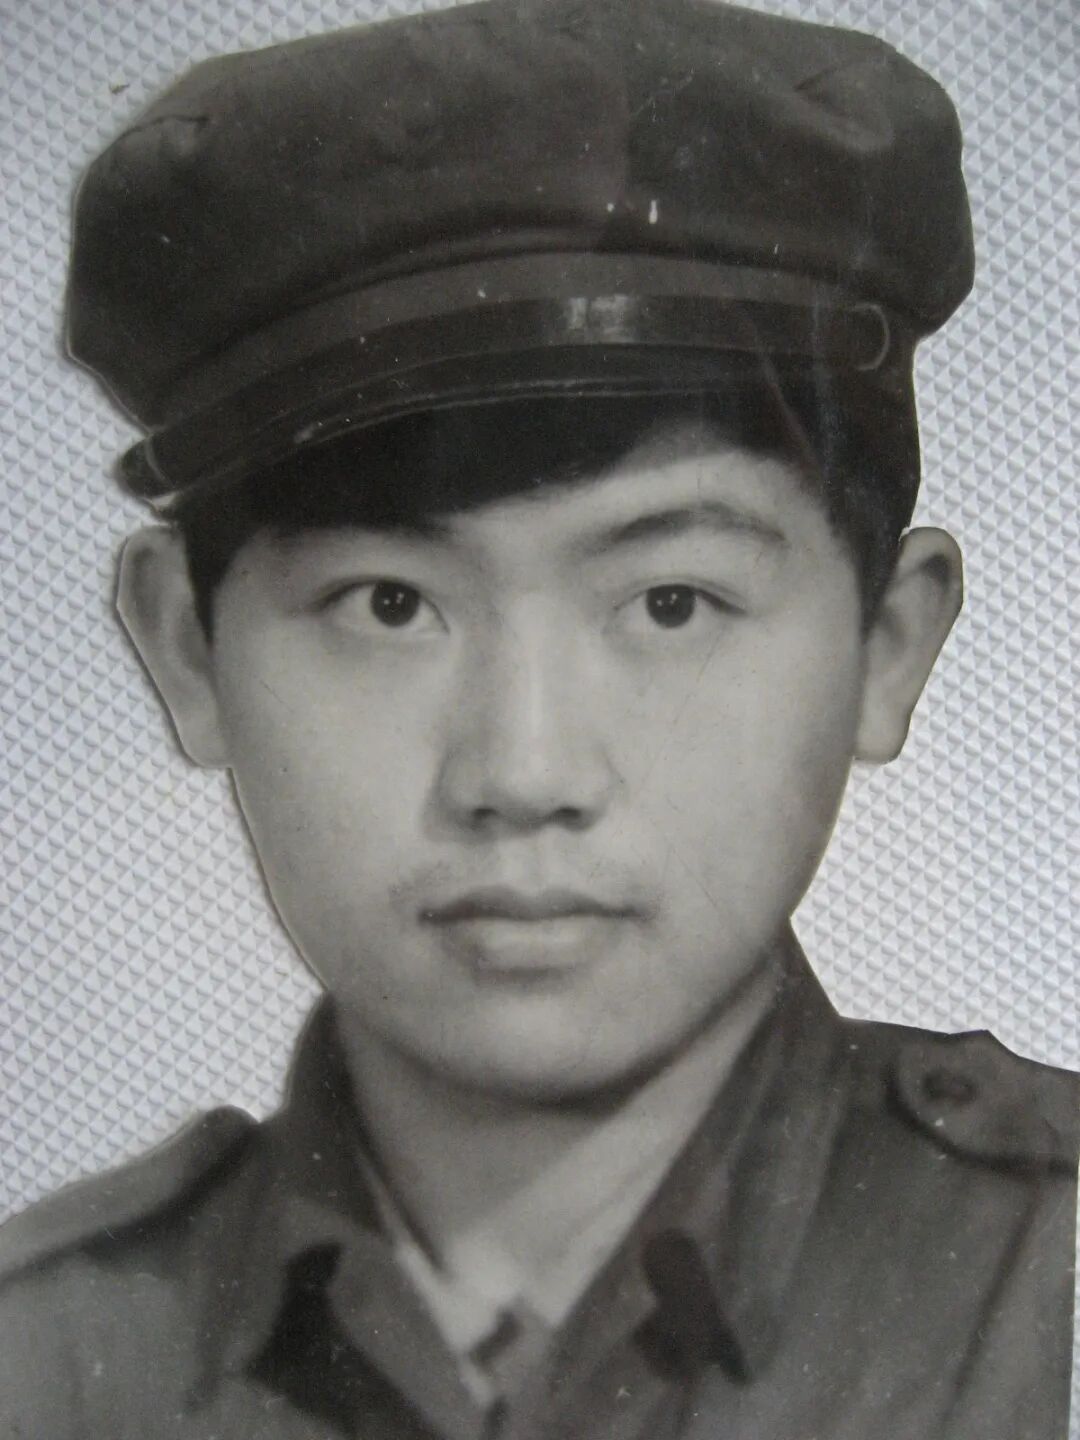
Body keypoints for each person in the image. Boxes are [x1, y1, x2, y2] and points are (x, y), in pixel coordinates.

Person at [0, 1, 1076, 1437]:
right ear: (187, 651)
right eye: (389, 604)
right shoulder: (45, 1364)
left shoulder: (1049, 1288)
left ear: (888, 642)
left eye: (672, 603)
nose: (524, 771)